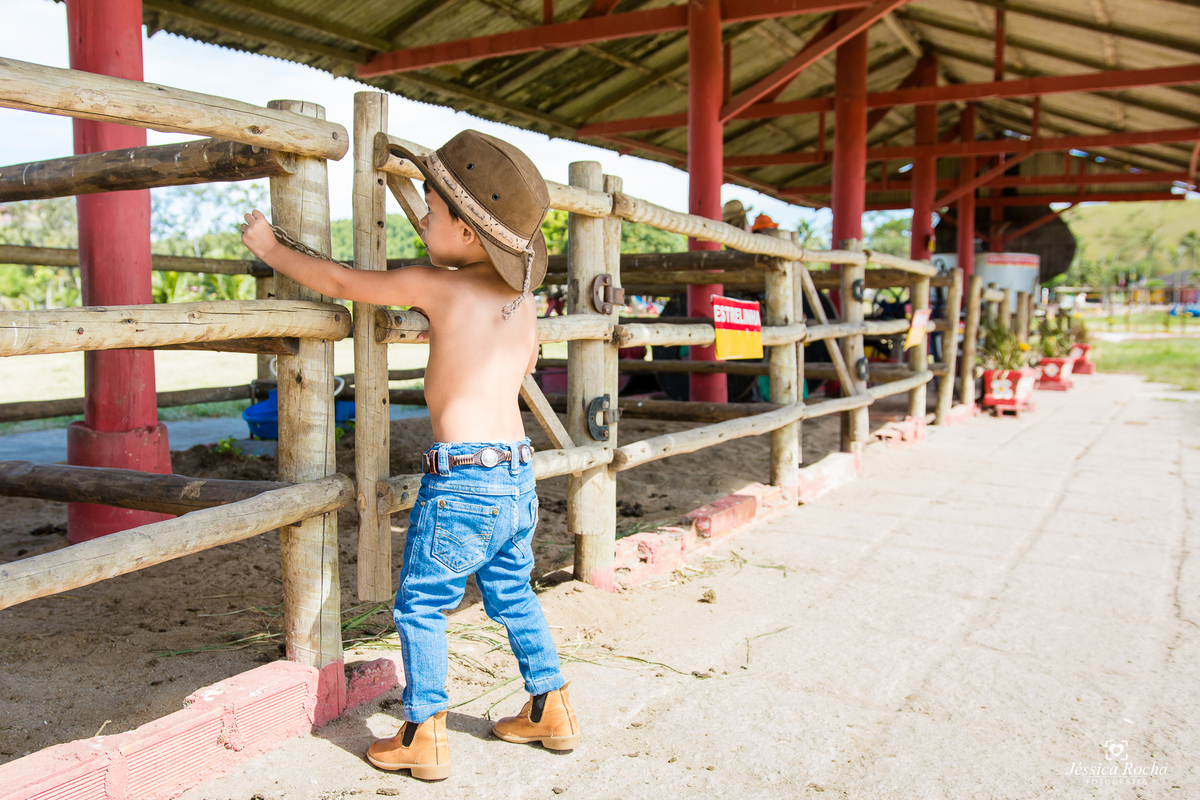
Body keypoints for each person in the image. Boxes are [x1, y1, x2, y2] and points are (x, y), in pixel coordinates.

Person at [241, 130, 579, 782]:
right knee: (512, 594)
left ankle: (425, 730)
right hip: (515, 470)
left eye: (431, 209)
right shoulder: (521, 300)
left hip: (464, 480)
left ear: (471, 236)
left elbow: (341, 280)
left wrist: (273, 249)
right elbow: (525, 362)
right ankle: (551, 704)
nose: (422, 218)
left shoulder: (437, 286)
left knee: (420, 605)